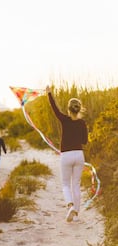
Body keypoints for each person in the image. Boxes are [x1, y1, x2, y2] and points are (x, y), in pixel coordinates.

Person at [46, 85, 88, 222]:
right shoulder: (82, 123)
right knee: (76, 184)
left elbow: (55, 109)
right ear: (79, 108)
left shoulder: (64, 120)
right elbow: (85, 141)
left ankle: (70, 205)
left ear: (69, 109)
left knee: (65, 184)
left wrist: (49, 94)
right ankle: (75, 213)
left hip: (66, 155)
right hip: (79, 155)